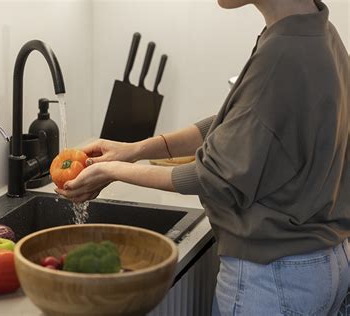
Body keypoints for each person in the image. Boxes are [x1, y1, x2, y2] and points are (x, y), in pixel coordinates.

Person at [56, 0, 350, 314]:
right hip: (322, 261)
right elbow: (238, 122)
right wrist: (135, 150)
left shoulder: (282, 55)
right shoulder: (317, 31)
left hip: (275, 277)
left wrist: (113, 170)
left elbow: (214, 176)